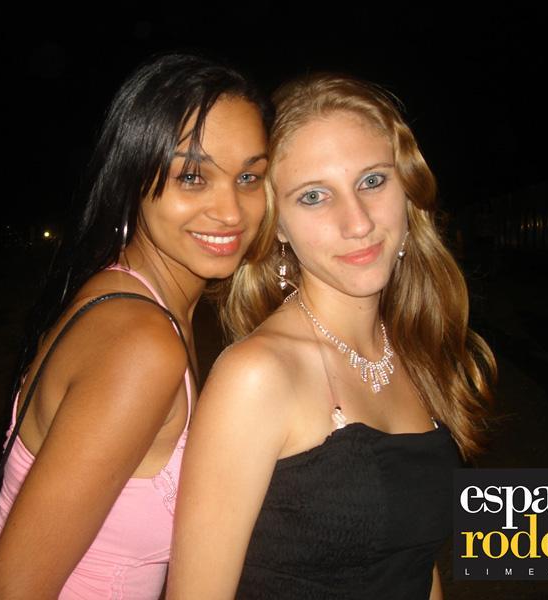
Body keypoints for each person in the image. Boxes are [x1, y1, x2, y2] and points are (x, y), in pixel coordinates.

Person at [0, 53, 271, 599]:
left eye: (249, 177)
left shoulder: (125, 292)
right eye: (192, 176)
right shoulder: (140, 344)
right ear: (133, 177)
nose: (231, 211)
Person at [168, 74, 496, 599]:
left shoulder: (409, 350)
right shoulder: (257, 377)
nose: (358, 222)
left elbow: (414, 561)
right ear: (277, 225)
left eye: (373, 181)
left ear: (407, 189)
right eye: (314, 196)